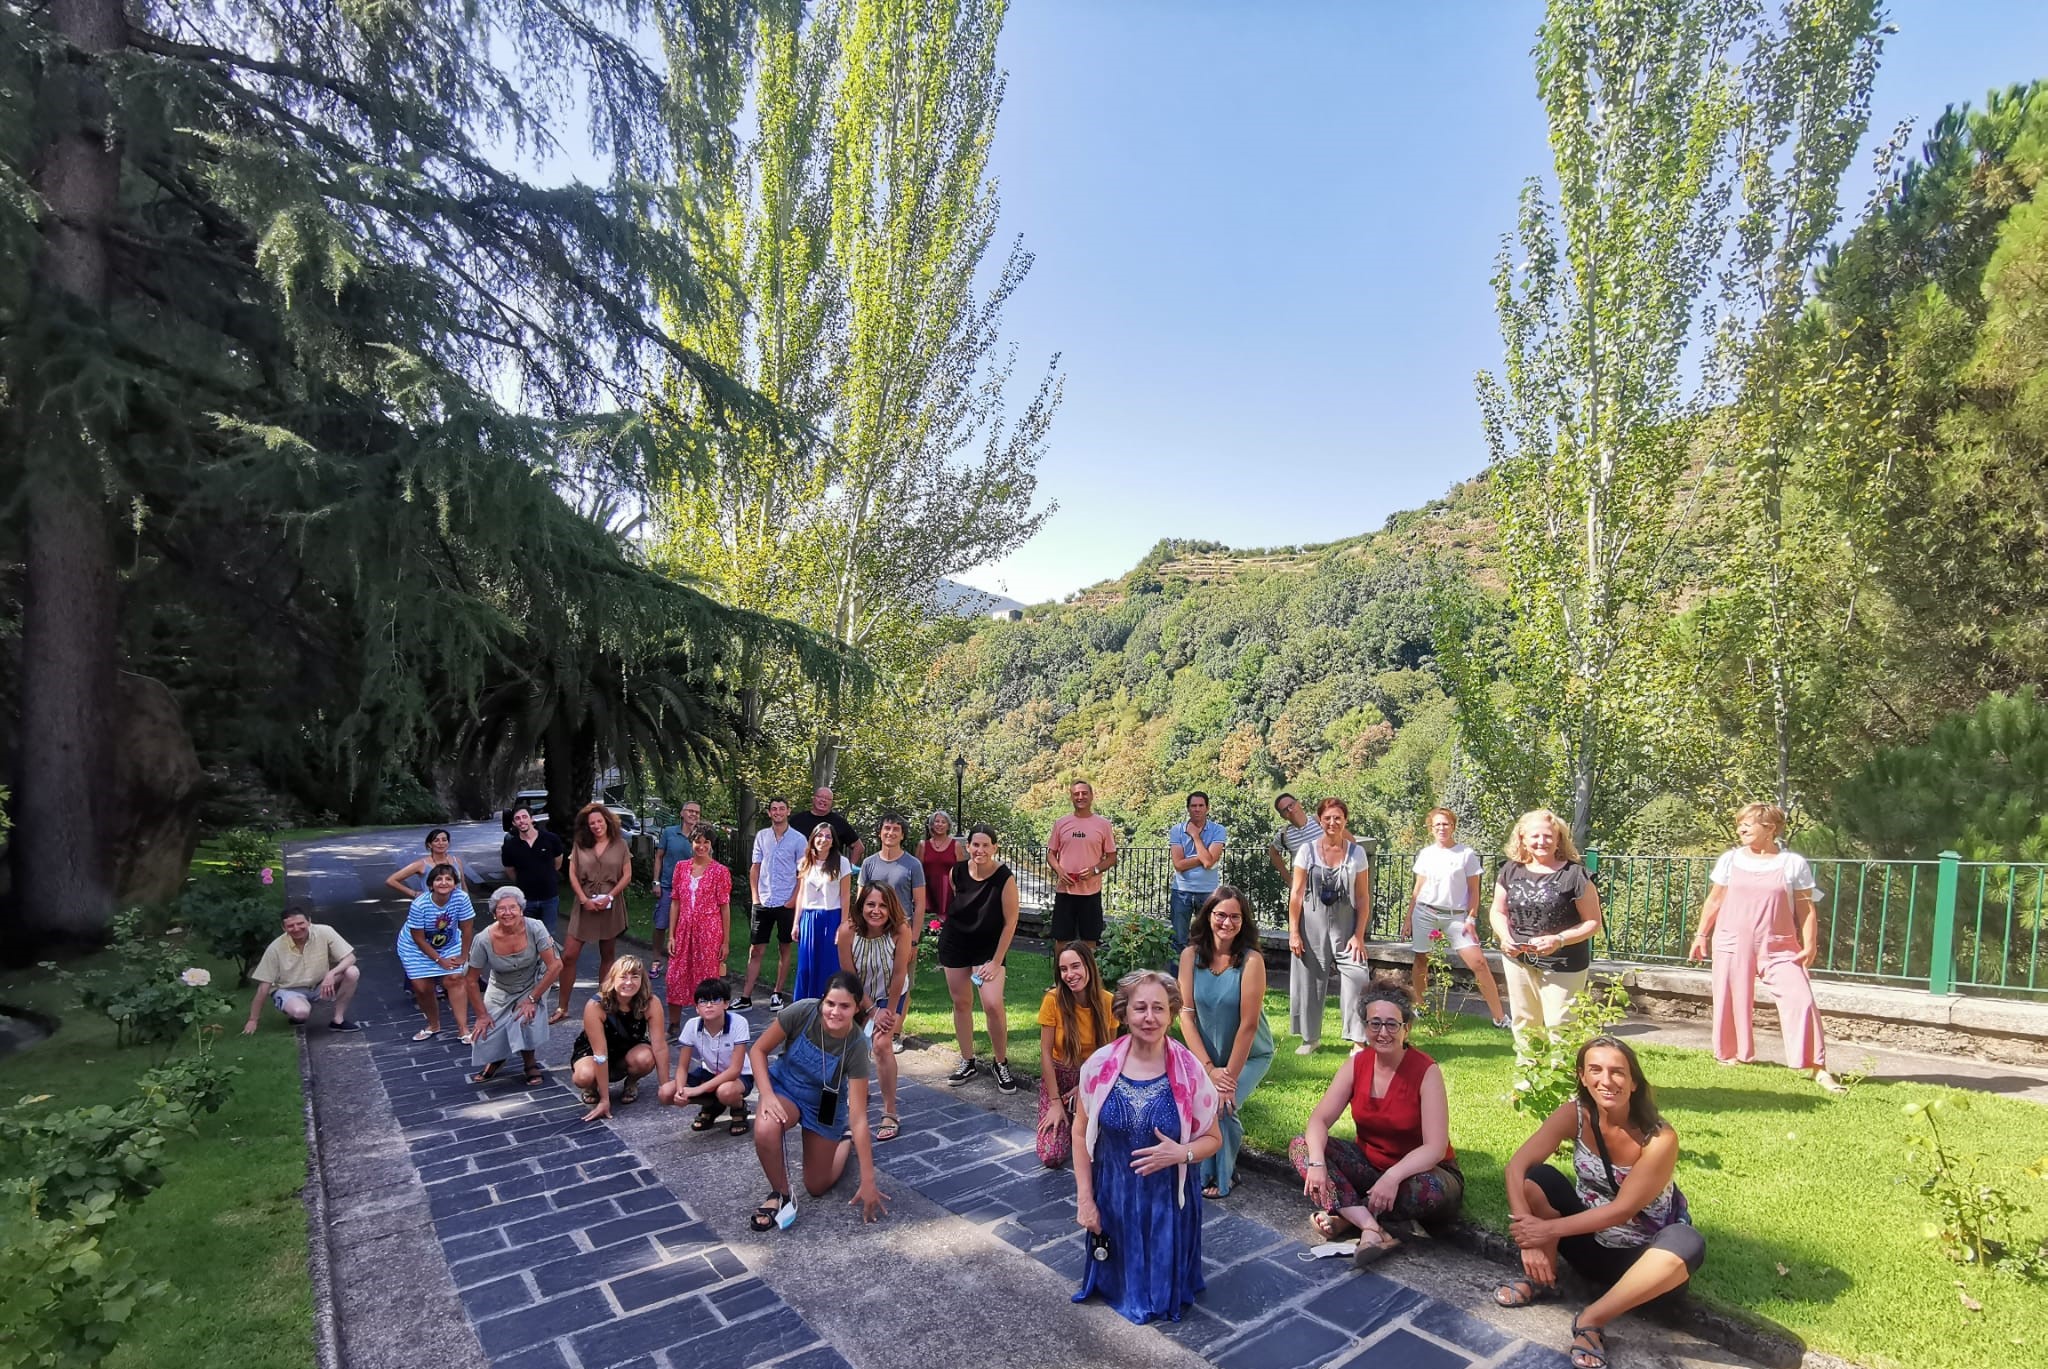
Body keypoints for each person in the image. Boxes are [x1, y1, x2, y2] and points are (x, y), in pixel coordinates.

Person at [1497, 1037, 1704, 1369]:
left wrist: (1543, 1230)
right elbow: (1516, 1166)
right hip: (1589, 1245)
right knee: (1536, 1180)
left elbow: (1622, 1210)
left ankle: (1592, 1320)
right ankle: (1542, 1280)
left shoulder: (1660, 1138)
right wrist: (1528, 1237)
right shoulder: (1575, 1115)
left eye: (1617, 1072)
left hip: (1639, 1264)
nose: (1605, 1081)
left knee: (1688, 1241)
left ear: (1634, 1082)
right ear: (1581, 1076)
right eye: (1595, 1069)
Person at [1072, 969, 1222, 1326]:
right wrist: (1085, 1200)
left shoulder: (1190, 1071)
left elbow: (1213, 1138)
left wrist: (1180, 1154)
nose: (1149, 1017)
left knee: (1157, 1302)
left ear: (1171, 1015)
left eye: (1159, 1008)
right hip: (1113, 1199)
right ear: (1123, 1013)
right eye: (1140, 1008)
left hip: (1166, 1205)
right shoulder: (1098, 1066)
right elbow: (1079, 1133)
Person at [1291, 978, 1462, 1267]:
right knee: (1301, 1147)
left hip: (1422, 1174)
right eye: (1374, 1024)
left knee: (1427, 1191)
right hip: (1371, 1168)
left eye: (1392, 1024)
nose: (1383, 1033)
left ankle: (1348, 1217)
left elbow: (1435, 1147)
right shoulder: (1356, 1065)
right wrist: (1318, 1164)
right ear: (1365, 1026)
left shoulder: (1426, 1070)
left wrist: (1393, 1177)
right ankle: (1373, 1229)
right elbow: (1319, 1120)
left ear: (1406, 1028)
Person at [1688, 803, 1844, 1094]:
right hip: (1732, 940)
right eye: (1739, 824)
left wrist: (1810, 944)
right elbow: (1714, 901)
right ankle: (1732, 1055)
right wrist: (1701, 935)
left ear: (1770, 828)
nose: (1741, 829)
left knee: (1801, 1000)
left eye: (1748, 824)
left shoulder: (1792, 863)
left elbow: (1806, 908)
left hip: (1780, 946)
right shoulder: (1730, 860)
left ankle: (1817, 1067)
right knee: (1731, 999)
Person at [746, 971, 890, 1230]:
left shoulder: (856, 1045)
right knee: (766, 1127)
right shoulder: (803, 1011)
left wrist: (868, 1179)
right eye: (830, 1003)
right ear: (822, 1001)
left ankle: (842, 1139)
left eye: (844, 1006)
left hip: (824, 1104)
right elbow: (758, 1050)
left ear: (857, 1007)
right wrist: (766, 1095)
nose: (835, 1012)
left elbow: (858, 1117)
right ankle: (780, 1194)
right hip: (785, 1089)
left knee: (816, 1186)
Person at [1176, 886, 1274, 1199]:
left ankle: (1222, 1175)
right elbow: (1186, 1015)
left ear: (1243, 921)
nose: (1227, 923)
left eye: (1235, 917)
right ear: (1208, 917)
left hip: (1249, 1055)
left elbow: (1248, 1025)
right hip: (1207, 1056)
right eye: (1221, 915)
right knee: (1199, 1103)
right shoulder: (1190, 956)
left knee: (1223, 1106)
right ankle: (1212, 1169)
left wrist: (1227, 1079)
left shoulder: (1251, 961)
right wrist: (1207, 1068)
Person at [1489, 810, 1604, 1045]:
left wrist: (1559, 939)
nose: (1542, 842)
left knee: (1561, 1025)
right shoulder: (1510, 870)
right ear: (1522, 838)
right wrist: (1504, 937)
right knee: (1524, 1023)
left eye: (1549, 836)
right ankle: (1528, 1078)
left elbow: (1593, 923)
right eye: (1535, 836)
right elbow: (1497, 911)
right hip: (1517, 959)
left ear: (1559, 839)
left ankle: (1560, 1079)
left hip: (1563, 963)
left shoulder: (1575, 875)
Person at [1408, 807, 1509, 1029]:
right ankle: (1421, 1006)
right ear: (1431, 829)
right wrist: (1408, 918)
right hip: (1425, 912)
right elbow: (1418, 888)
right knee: (1421, 959)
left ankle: (1500, 1017)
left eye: (1446, 824)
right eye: (1437, 825)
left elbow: (1474, 891)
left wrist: (1471, 918)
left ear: (1453, 826)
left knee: (1479, 963)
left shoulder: (1466, 854)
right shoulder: (1426, 853)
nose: (1442, 828)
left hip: (1456, 917)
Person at [940, 824, 1021, 1091]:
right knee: (961, 1002)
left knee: (992, 1004)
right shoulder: (958, 871)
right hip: (956, 942)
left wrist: (997, 961)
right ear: (968, 846)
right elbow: (956, 901)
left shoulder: (1004, 877)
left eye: (986, 845)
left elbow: (1010, 923)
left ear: (995, 847)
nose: (980, 850)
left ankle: (1001, 1062)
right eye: (976, 845)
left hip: (988, 947)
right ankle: (967, 1060)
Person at [1288, 798, 1371, 1055]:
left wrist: (1358, 935)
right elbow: (1297, 894)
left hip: (1345, 923)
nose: (1332, 823)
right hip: (1311, 920)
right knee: (1310, 978)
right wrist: (1293, 931)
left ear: (1345, 820)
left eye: (1337, 818)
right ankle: (1310, 1038)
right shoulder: (1307, 851)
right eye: (1327, 818)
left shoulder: (1357, 853)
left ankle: (1358, 1039)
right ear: (1319, 820)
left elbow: (1362, 897)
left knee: (1357, 975)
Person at [836, 883, 916, 1140]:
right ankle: (856, 1092)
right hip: (858, 994)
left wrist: (887, 1013)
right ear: (862, 906)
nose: (876, 910)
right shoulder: (847, 931)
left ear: (891, 908)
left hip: (891, 994)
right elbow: (849, 976)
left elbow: (900, 973)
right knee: (846, 1042)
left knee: (881, 1045)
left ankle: (890, 1111)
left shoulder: (901, 930)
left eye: (882, 905)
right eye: (871, 904)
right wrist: (870, 1010)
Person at [465, 886, 564, 1087]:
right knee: (488, 1030)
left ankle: (530, 1063)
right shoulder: (483, 939)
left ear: (521, 910)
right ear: (494, 913)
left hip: (533, 980)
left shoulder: (535, 927)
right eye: (502, 909)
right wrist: (481, 1015)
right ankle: (497, 1059)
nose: (508, 913)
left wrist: (532, 999)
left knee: (524, 1018)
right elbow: (470, 980)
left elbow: (556, 965)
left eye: (513, 907)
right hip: (501, 985)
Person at [1036, 943, 1116, 1168]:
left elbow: (1109, 1057)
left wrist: (1083, 1088)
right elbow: (1045, 1052)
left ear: (1089, 966)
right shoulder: (1053, 1000)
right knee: (1051, 1155)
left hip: (1093, 1079)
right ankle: (1069, 1122)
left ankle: (1080, 1124)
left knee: (1099, 1154)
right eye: (1063, 969)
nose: (1069, 975)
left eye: (1075, 966)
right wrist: (1055, 1102)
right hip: (1059, 1079)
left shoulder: (1107, 1001)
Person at [554, 802, 631, 1024]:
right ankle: (563, 1006)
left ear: (607, 821)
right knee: (568, 955)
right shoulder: (581, 845)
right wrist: (583, 899)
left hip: (610, 904)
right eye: (592, 823)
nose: (596, 826)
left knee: (607, 955)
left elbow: (626, 875)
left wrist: (611, 896)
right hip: (584, 904)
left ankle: (604, 1004)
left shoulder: (620, 845)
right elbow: (572, 873)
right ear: (586, 826)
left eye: (599, 821)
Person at [570, 956, 671, 1120]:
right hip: (595, 1052)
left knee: (645, 1058)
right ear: (613, 979)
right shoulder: (596, 1006)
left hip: (629, 1048)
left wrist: (665, 1086)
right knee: (584, 1076)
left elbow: (659, 1045)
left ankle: (631, 1082)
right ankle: (593, 1088)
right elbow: (600, 1055)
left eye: (635, 977)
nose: (629, 982)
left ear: (642, 979)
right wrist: (605, 1100)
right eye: (623, 977)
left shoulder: (651, 1002)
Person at [244, 905, 361, 1033]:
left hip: (320, 984)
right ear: (283, 928)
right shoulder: (275, 948)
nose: (296, 928)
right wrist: (253, 1020)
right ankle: (296, 1014)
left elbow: (350, 958)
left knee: (352, 972)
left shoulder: (325, 931)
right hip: (289, 988)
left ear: (309, 921)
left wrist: (331, 974)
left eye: (300, 923)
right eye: (290, 926)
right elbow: (264, 986)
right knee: (301, 1012)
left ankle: (338, 1020)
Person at [396, 864, 475, 1041]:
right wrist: (439, 960)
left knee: (454, 978)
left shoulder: (461, 898)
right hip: (415, 947)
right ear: (431, 884)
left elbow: (468, 929)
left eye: (448, 879)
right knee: (422, 987)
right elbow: (418, 938)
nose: (443, 882)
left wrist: (464, 955)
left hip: (449, 942)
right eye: (439, 879)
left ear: (455, 884)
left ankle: (463, 1028)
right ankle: (433, 1024)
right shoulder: (420, 904)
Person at [741, 797, 805, 1011]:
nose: (777, 812)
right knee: (756, 949)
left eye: (781, 809)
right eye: (774, 809)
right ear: (769, 813)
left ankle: (777, 993)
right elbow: (755, 867)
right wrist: (755, 897)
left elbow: (802, 873)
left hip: (786, 902)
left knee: (784, 948)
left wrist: (794, 899)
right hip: (764, 901)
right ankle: (746, 996)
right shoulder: (762, 836)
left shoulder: (798, 839)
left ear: (788, 811)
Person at [670, 976, 754, 1134]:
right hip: (708, 1072)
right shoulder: (691, 1025)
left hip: (739, 1077)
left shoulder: (739, 1023)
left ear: (726, 1004)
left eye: (715, 1000)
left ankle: (738, 1108)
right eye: (703, 1001)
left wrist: (697, 1090)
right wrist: (681, 1091)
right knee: (666, 1092)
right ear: (696, 1007)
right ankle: (712, 1105)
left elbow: (735, 1070)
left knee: (726, 1092)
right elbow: (682, 1066)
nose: (708, 1005)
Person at [665, 827, 733, 1013]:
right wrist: (671, 935)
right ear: (691, 842)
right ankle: (675, 1024)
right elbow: (675, 902)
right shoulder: (681, 867)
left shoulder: (720, 871)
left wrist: (725, 942)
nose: (701, 846)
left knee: (707, 978)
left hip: (709, 931)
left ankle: (707, 1020)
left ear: (711, 845)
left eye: (706, 842)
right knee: (675, 975)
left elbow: (724, 907)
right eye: (698, 842)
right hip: (683, 929)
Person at [1047, 780, 1118, 948]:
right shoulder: (1061, 823)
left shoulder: (1103, 825)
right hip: (1065, 891)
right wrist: (1059, 871)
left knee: (1090, 939)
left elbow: (1111, 857)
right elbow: (1051, 854)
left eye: (1084, 793)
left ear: (1092, 796)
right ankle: (1059, 974)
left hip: (1090, 892)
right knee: (1061, 939)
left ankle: (1089, 974)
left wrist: (1094, 870)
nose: (1080, 797)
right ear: (1071, 797)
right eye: (1076, 794)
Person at [791, 822, 851, 1004]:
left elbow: (845, 895)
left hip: (831, 917)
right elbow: (801, 894)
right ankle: (802, 1008)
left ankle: (828, 1006)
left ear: (833, 841)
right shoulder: (804, 863)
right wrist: (796, 922)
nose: (823, 840)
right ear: (813, 838)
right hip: (809, 919)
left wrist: (842, 925)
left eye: (828, 836)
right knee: (806, 968)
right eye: (819, 835)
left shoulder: (842, 863)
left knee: (828, 966)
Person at [1167, 792, 1226, 952]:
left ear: (1207, 808)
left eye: (1201, 805)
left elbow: (1209, 862)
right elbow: (1179, 864)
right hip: (1181, 891)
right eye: (1193, 806)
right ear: (1188, 809)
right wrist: (1205, 856)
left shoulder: (1218, 830)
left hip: (1208, 892)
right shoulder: (1177, 830)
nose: (1197, 809)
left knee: (1208, 940)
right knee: (1179, 940)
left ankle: (1203, 975)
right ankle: (1177, 976)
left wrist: (1195, 837)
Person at [650, 800, 704, 976]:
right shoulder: (669, 833)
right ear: (682, 813)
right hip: (667, 886)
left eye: (697, 812)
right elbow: (659, 857)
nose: (693, 814)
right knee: (661, 924)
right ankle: (656, 960)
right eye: (690, 811)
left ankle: (681, 963)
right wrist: (656, 882)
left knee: (687, 928)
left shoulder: (701, 838)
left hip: (691, 890)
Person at [500, 803, 566, 937]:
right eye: (517, 818)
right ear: (514, 823)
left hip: (549, 898)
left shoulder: (550, 839)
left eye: (524, 817)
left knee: (548, 937)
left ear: (531, 819)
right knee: (527, 937)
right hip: (526, 900)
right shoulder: (510, 846)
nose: (522, 821)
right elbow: (510, 870)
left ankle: (546, 959)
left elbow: (558, 863)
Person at [386, 827, 482, 899]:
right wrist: (414, 893)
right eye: (436, 840)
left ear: (448, 843)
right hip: (432, 908)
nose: (441, 843)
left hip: (457, 907)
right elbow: (391, 880)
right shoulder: (422, 864)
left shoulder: (457, 861)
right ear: (429, 845)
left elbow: (462, 884)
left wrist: (466, 901)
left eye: (444, 840)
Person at [790, 786, 864, 867]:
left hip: (831, 873)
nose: (823, 800)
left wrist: (850, 867)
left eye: (827, 798)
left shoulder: (839, 822)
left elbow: (859, 847)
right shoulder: (796, 820)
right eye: (820, 797)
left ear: (832, 802)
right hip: (801, 872)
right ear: (813, 798)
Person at [918, 810, 961, 931]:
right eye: (937, 821)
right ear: (931, 825)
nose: (940, 824)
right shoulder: (923, 845)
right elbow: (917, 871)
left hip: (949, 893)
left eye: (943, 822)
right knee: (927, 928)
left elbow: (961, 872)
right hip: (927, 891)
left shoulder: (955, 845)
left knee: (948, 929)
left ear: (948, 825)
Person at [1267, 793, 1321, 876]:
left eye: (1291, 805)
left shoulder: (1321, 822)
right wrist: (1289, 881)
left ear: (1299, 804)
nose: (1290, 810)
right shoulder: (1284, 835)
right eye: (1285, 810)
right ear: (1283, 816)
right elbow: (1273, 853)